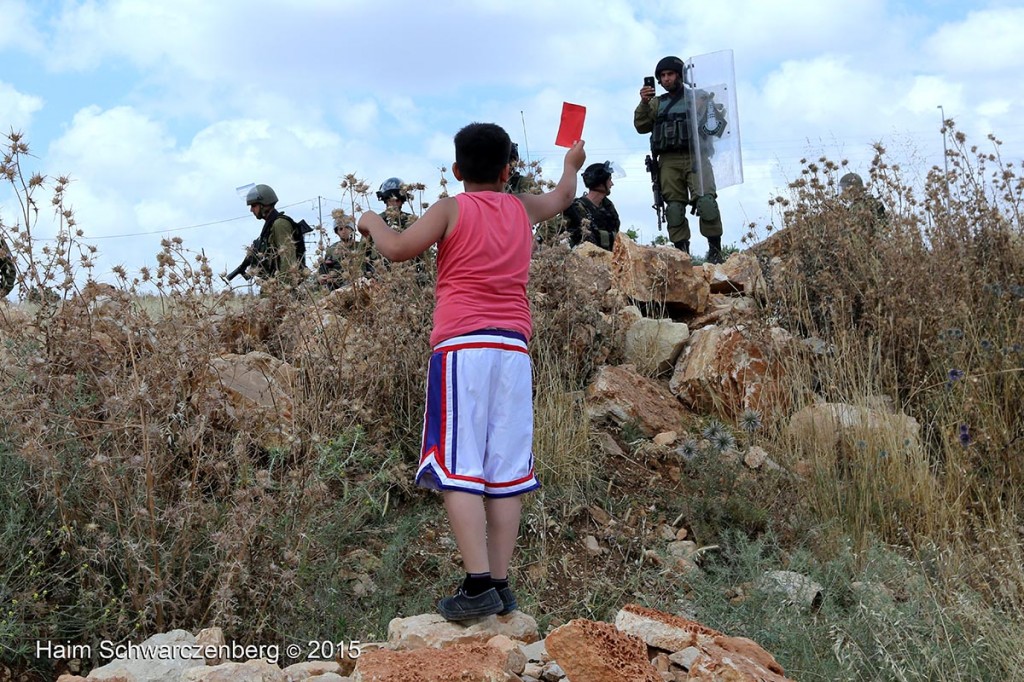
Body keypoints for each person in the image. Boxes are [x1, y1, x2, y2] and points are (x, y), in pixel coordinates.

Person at [357, 122, 585, 621]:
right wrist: (571, 162)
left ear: (458, 170)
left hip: (462, 347)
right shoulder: (522, 207)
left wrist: (371, 220)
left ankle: (477, 583)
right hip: (513, 351)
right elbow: (565, 196)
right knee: (505, 470)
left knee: (459, 466)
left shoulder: (450, 207)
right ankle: (501, 585)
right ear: (509, 170)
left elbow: (397, 249)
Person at [635, 55, 725, 263]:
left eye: (670, 74)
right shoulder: (656, 104)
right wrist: (643, 103)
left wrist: (705, 107)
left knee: (707, 203)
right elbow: (641, 126)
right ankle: (682, 255)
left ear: (680, 75)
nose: (666, 79)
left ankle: (715, 252)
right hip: (668, 161)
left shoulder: (699, 97)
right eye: (663, 76)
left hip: (697, 156)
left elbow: (718, 127)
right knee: (674, 209)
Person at [234, 183, 309, 283]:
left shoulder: (280, 224)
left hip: (282, 288)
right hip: (273, 285)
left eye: (254, 205)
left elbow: (288, 261)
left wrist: (284, 290)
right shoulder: (270, 225)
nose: (251, 210)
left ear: (264, 204)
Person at [562, 161, 620, 251]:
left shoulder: (608, 207)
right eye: (609, 180)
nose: (612, 184)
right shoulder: (576, 209)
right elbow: (552, 229)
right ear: (600, 183)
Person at [317, 210, 366, 289]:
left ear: (352, 229)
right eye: (340, 229)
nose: (344, 231)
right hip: (337, 288)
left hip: (359, 284)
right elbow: (323, 270)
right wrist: (321, 278)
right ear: (337, 232)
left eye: (346, 227)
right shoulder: (331, 249)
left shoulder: (360, 246)